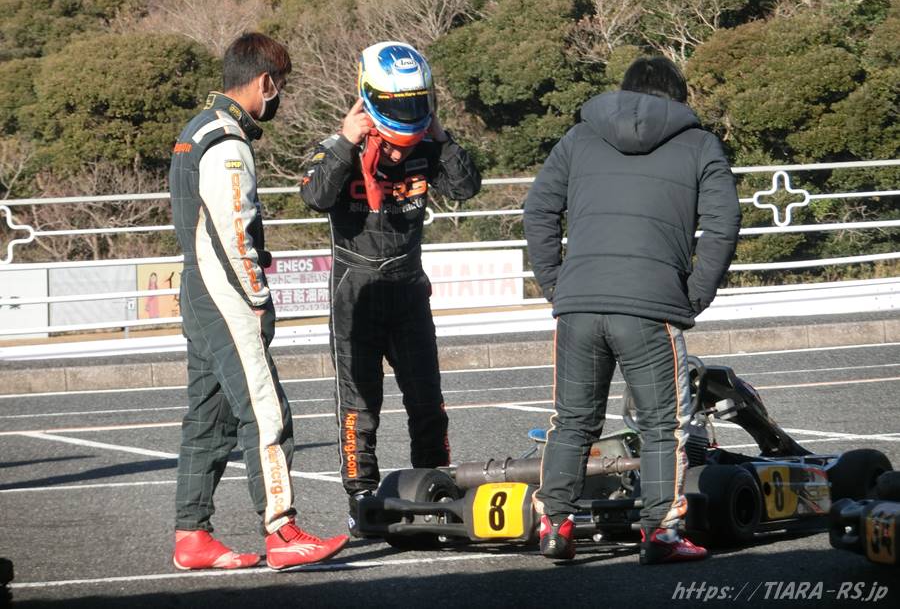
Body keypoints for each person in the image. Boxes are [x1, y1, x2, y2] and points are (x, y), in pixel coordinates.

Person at [524, 56, 741, 564]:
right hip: (650, 307)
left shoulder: (580, 137)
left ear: (623, 92)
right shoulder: (700, 144)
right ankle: (661, 533)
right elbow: (723, 224)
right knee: (663, 424)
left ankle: (555, 526)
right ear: (678, 98)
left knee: (572, 420)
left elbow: (538, 209)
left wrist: (556, 284)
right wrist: (694, 295)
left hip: (578, 304)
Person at [169, 32, 348, 571]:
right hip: (226, 292)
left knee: (209, 415)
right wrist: (258, 299)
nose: (280, 96)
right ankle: (282, 530)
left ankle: (192, 535)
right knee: (266, 410)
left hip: (197, 287)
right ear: (265, 82)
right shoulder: (227, 140)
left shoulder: (195, 129)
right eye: (281, 85)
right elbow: (233, 232)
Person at [300, 41, 481, 534]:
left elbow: (465, 188)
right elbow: (315, 196)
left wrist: (440, 137)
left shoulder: (428, 146)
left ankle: (436, 485)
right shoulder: (338, 145)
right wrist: (345, 141)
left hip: (408, 290)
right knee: (360, 408)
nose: (407, 117)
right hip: (355, 295)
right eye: (397, 105)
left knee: (427, 404)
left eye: (415, 104)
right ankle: (361, 499)